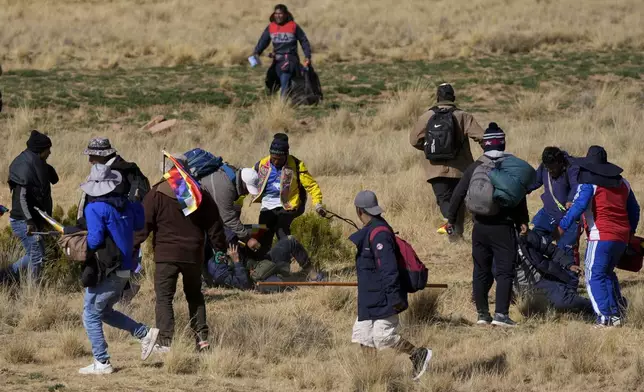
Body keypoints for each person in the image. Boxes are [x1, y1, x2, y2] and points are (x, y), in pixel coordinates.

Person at [134, 156, 227, 352]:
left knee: (164, 298)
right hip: (193, 255)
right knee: (194, 296)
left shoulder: (156, 194)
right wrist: (220, 249)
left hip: (166, 255)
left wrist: (132, 246)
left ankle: (166, 342)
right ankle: (202, 340)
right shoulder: (197, 193)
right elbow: (214, 225)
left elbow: (143, 226)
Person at [78, 164, 159, 375]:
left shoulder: (94, 208)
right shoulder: (129, 205)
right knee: (103, 311)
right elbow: (139, 224)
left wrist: (77, 240)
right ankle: (144, 333)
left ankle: (102, 362)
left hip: (107, 268)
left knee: (90, 314)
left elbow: (94, 240)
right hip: (127, 266)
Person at [446, 123, 529, 327]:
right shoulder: (510, 165)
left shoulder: (475, 166)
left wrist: (450, 219)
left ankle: (482, 315)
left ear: (484, 145)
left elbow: (457, 194)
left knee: (481, 270)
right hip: (503, 226)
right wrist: (523, 221)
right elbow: (518, 196)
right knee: (504, 271)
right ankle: (501, 315)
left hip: (479, 227)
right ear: (502, 143)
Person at [349, 190, 432, 380]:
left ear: (359, 210)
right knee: (363, 336)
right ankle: (374, 375)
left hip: (384, 296)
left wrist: (394, 297)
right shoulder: (373, 230)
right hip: (368, 297)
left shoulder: (380, 233)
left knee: (383, 337)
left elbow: (389, 269)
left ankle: (419, 354)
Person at [558, 146, 640, 328]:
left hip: (600, 236)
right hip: (621, 237)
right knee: (607, 274)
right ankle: (618, 314)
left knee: (594, 276)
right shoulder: (623, 183)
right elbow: (635, 210)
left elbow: (577, 208)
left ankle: (606, 319)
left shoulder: (588, 184)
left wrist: (561, 228)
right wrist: (630, 233)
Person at [409, 83, 485, 240]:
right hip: (460, 168)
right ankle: (458, 234)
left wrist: (430, 150)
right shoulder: (463, 116)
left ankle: (454, 235)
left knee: (443, 200)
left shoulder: (426, 116)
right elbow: (482, 137)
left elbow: (414, 140)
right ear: (453, 98)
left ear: (437, 97)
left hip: (435, 168)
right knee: (460, 202)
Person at [252, 133, 326, 254]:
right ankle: (265, 267)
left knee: (282, 232)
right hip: (267, 205)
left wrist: (318, 204)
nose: (276, 162)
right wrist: (237, 203)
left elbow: (312, 186)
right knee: (262, 235)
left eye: (279, 159)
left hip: (288, 204)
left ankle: (290, 267)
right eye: (273, 158)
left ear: (286, 154)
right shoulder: (261, 164)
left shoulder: (296, 164)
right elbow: (246, 181)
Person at [4, 130, 59, 282]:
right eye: (48, 149)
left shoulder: (36, 163)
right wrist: (29, 221)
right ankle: (33, 291)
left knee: (34, 255)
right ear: (40, 150)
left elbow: (54, 180)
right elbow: (21, 198)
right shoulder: (24, 167)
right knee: (37, 256)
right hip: (24, 221)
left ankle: (5, 276)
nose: (50, 152)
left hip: (34, 219)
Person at [515, 228, 593, 315]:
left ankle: (597, 308)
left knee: (564, 302)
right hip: (519, 289)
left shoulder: (525, 235)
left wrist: (568, 264)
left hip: (540, 280)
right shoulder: (499, 246)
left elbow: (552, 250)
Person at [527, 147, 581, 264]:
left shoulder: (572, 167)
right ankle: (544, 275)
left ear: (560, 163)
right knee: (534, 241)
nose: (550, 171)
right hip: (548, 213)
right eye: (548, 168)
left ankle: (569, 280)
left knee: (565, 253)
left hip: (568, 218)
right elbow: (535, 182)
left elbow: (576, 186)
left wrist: (571, 200)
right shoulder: (544, 168)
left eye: (553, 168)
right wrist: (522, 189)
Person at [77, 138, 150, 223]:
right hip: (127, 226)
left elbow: (110, 209)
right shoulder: (128, 169)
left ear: (103, 155)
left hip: (110, 229)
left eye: (92, 156)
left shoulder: (113, 176)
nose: (90, 160)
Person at [208, 234, 318, 291]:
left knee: (290, 240)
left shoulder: (227, 243)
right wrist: (236, 261)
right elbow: (245, 285)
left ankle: (314, 275)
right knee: (280, 283)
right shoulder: (218, 271)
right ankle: (288, 276)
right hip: (259, 279)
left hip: (263, 263)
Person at [253, 4, 312, 97]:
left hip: (290, 59)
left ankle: (283, 105)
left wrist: (307, 56)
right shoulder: (271, 27)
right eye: (276, 13)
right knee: (270, 79)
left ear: (285, 14)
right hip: (277, 60)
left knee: (285, 78)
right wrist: (256, 53)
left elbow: (304, 41)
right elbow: (263, 41)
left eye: (280, 14)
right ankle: (277, 99)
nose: (278, 16)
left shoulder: (293, 26)